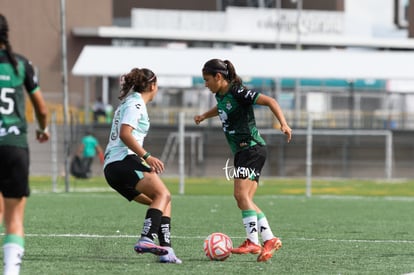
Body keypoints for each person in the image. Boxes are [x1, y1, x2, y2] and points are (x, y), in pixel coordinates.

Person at [194, 59, 292, 262]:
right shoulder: (221, 94)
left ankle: (252, 242)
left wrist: (283, 124)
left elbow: (271, 101)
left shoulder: (238, 92)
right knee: (244, 200)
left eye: (207, 79)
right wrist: (204, 115)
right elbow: (222, 108)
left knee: (240, 194)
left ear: (219, 77)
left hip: (251, 148)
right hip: (244, 152)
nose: (205, 84)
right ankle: (270, 239)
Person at [103, 68, 181, 264]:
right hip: (124, 161)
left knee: (164, 201)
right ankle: (146, 238)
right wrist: (147, 156)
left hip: (114, 168)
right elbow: (125, 133)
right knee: (163, 194)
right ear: (153, 86)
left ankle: (167, 250)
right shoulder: (135, 103)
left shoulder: (129, 103)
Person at [0, 14, 49, 275]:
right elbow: (41, 108)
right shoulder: (20, 65)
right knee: (14, 218)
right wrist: (43, 129)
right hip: (14, 147)